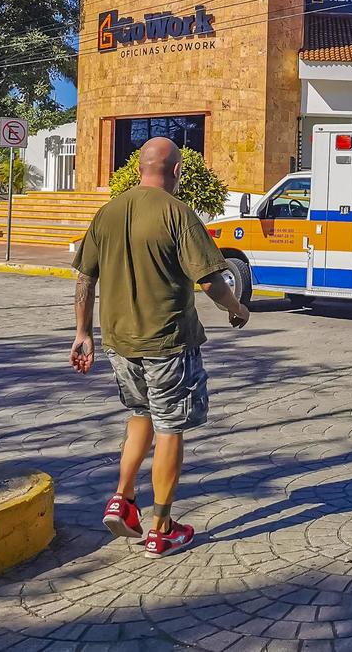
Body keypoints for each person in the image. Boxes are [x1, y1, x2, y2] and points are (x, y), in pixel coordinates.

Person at [70, 137, 250, 558]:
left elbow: (84, 278)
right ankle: (161, 528)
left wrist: (82, 333)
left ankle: (122, 497)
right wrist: (236, 308)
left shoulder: (108, 212)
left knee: (140, 416)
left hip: (119, 341)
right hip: (167, 342)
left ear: (137, 170)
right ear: (177, 173)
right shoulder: (178, 214)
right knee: (170, 427)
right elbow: (208, 279)